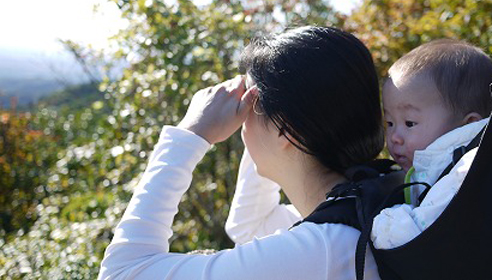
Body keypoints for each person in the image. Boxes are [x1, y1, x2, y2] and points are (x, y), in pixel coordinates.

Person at [98, 26, 384, 279]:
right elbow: (250, 228)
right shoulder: (368, 201)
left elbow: (122, 272)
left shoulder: (319, 253)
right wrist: (274, 124)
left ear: (286, 129)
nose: (242, 119)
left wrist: (190, 134)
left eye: (250, 104)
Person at [225, 39, 492, 250]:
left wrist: (369, 227)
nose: (395, 137)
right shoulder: (402, 178)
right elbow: (247, 229)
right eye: (390, 123)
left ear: (466, 124)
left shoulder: (467, 169)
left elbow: (417, 229)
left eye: (410, 123)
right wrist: (260, 128)